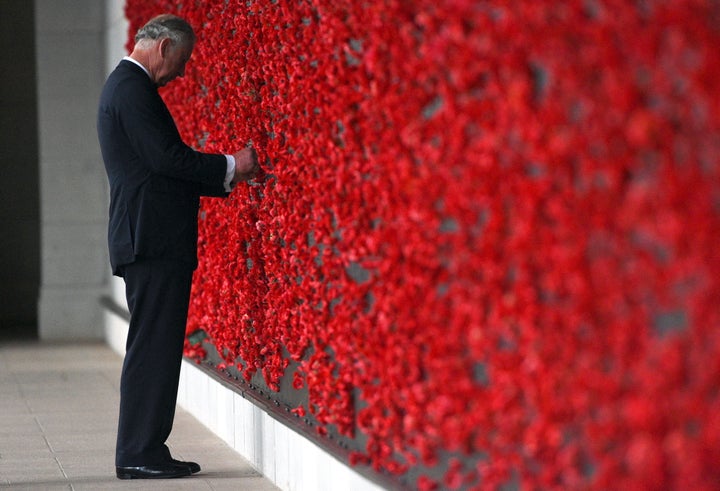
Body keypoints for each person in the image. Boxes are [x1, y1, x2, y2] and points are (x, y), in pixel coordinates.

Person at [97, 14, 259, 479]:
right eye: (183, 60)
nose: (183, 73)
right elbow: (166, 159)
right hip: (150, 238)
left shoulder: (126, 87)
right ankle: (139, 452)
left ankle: (142, 449)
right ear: (163, 46)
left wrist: (227, 173)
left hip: (146, 236)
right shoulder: (131, 89)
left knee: (153, 346)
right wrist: (233, 164)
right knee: (153, 348)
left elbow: (158, 166)